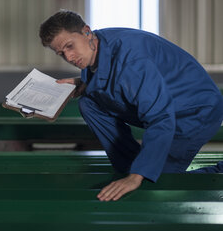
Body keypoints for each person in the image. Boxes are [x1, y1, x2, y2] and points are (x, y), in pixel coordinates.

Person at [39, 10, 223, 201]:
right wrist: (83, 84)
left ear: (86, 31)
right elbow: (115, 78)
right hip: (168, 104)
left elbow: (161, 117)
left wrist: (138, 176)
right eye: (61, 53)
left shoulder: (132, 60)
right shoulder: (99, 43)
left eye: (70, 46)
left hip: (195, 112)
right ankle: (130, 166)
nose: (69, 57)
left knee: (154, 183)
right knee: (89, 102)